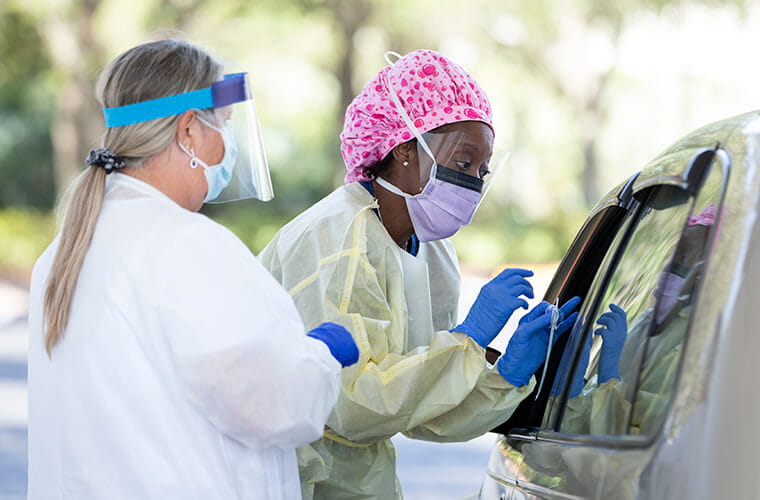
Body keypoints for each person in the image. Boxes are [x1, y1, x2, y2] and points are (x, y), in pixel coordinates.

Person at [26, 38, 359, 500]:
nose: (228, 144)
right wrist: (320, 357)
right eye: (223, 124)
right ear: (187, 131)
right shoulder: (187, 246)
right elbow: (278, 407)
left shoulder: (64, 252)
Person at [258, 49, 579, 499]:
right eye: (463, 162)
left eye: (481, 170)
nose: (473, 182)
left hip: (356, 479)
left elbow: (422, 409)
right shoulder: (338, 240)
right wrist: (466, 340)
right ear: (406, 149)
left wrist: (503, 375)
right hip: (289, 477)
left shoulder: (432, 252)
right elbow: (353, 404)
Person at [561, 204, 716, 436]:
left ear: (710, 270)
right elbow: (591, 429)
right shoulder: (649, 323)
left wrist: (611, 384)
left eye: (684, 257)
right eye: (673, 255)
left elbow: (656, 428)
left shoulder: (712, 339)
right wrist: (576, 393)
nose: (670, 267)